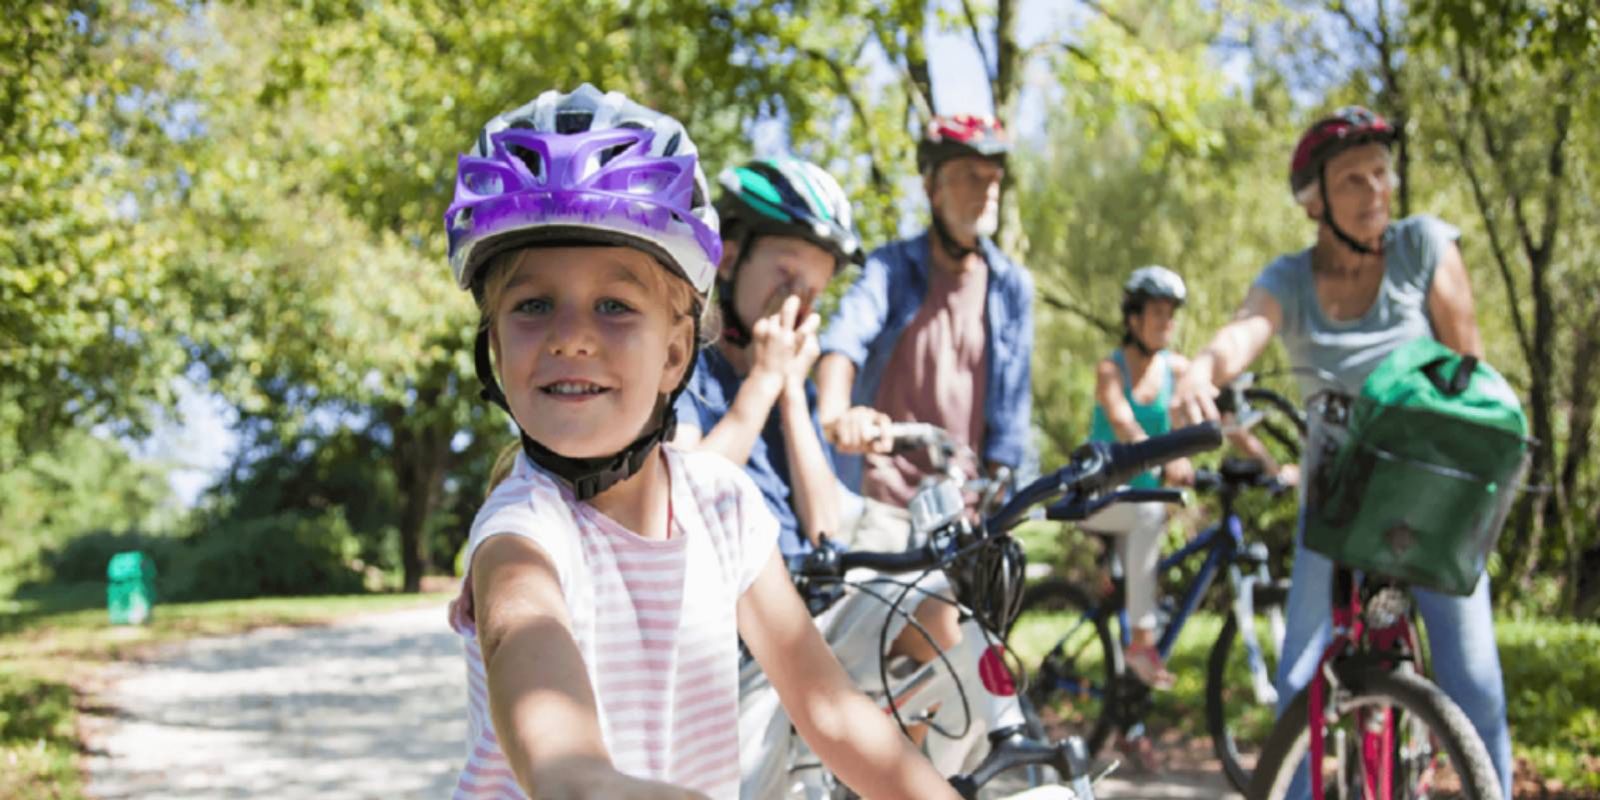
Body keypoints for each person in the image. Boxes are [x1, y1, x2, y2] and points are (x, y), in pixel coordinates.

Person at [441, 85, 960, 800]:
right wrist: (582, 779)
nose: (570, 335)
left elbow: (833, 713)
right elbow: (556, 742)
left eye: (615, 306)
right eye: (532, 305)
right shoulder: (521, 536)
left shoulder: (722, 506)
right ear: (494, 347)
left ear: (678, 351)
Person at [1169, 106, 1512, 799]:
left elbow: (1468, 371)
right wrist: (1203, 369)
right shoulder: (1291, 278)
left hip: (1432, 494)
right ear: (1313, 201)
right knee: (1300, 680)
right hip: (1337, 497)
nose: (1375, 191)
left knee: (1471, 678)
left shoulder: (1422, 247)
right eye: (1352, 179)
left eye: (1381, 173)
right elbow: (1246, 329)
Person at [813, 112, 1033, 734]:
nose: (985, 190)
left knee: (959, 690)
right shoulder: (894, 268)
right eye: (968, 176)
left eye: (993, 179)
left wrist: (1003, 499)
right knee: (911, 652)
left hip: (962, 516)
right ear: (933, 187)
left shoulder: (1011, 287)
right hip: (884, 501)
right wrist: (836, 412)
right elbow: (843, 343)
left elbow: (1011, 415)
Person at [672, 157, 862, 559]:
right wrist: (763, 381)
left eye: (812, 291)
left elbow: (825, 527)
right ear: (727, 261)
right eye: (786, 275)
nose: (795, 302)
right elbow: (683, 500)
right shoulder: (686, 366)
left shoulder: (792, 381)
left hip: (811, 595)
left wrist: (791, 390)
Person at [1082, 265, 1196, 691]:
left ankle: (1130, 712)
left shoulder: (1177, 370)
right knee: (1149, 514)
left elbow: (1216, 413)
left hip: (1141, 507)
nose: (1167, 323)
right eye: (1157, 313)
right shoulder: (1110, 370)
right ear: (1133, 319)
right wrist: (1162, 457)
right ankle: (1141, 643)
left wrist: (1269, 463)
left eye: (1172, 314)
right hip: (1097, 498)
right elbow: (1122, 420)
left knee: (1152, 521)